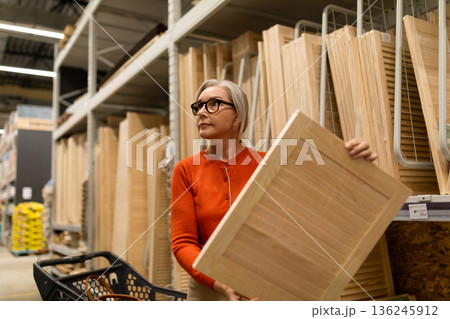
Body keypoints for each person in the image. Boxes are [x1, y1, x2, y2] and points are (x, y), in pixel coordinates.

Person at [170, 79, 378, 301]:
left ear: (238, 115)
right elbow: (183, 242)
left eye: (213, 104)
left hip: (270, 285)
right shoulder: (185, 170)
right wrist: (219, 283)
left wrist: (355, 160)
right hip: (209, 290)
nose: (201, 112)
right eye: (198, 106)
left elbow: (326, 201)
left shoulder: (270, 164)